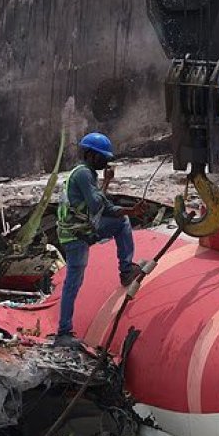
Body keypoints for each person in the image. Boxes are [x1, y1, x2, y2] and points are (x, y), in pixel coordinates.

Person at [53, 132, 144, 348]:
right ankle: (63, 333)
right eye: (103, 157)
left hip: (83, 230)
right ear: (91, 155)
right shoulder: (84, 174)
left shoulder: (87, 175)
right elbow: (97, 206)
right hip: (75, 235)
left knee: (122, 222)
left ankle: (126, 270)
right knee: (72, 284)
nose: (106, 161)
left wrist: (128, 210)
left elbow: (99, 206)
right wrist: (123, 208)